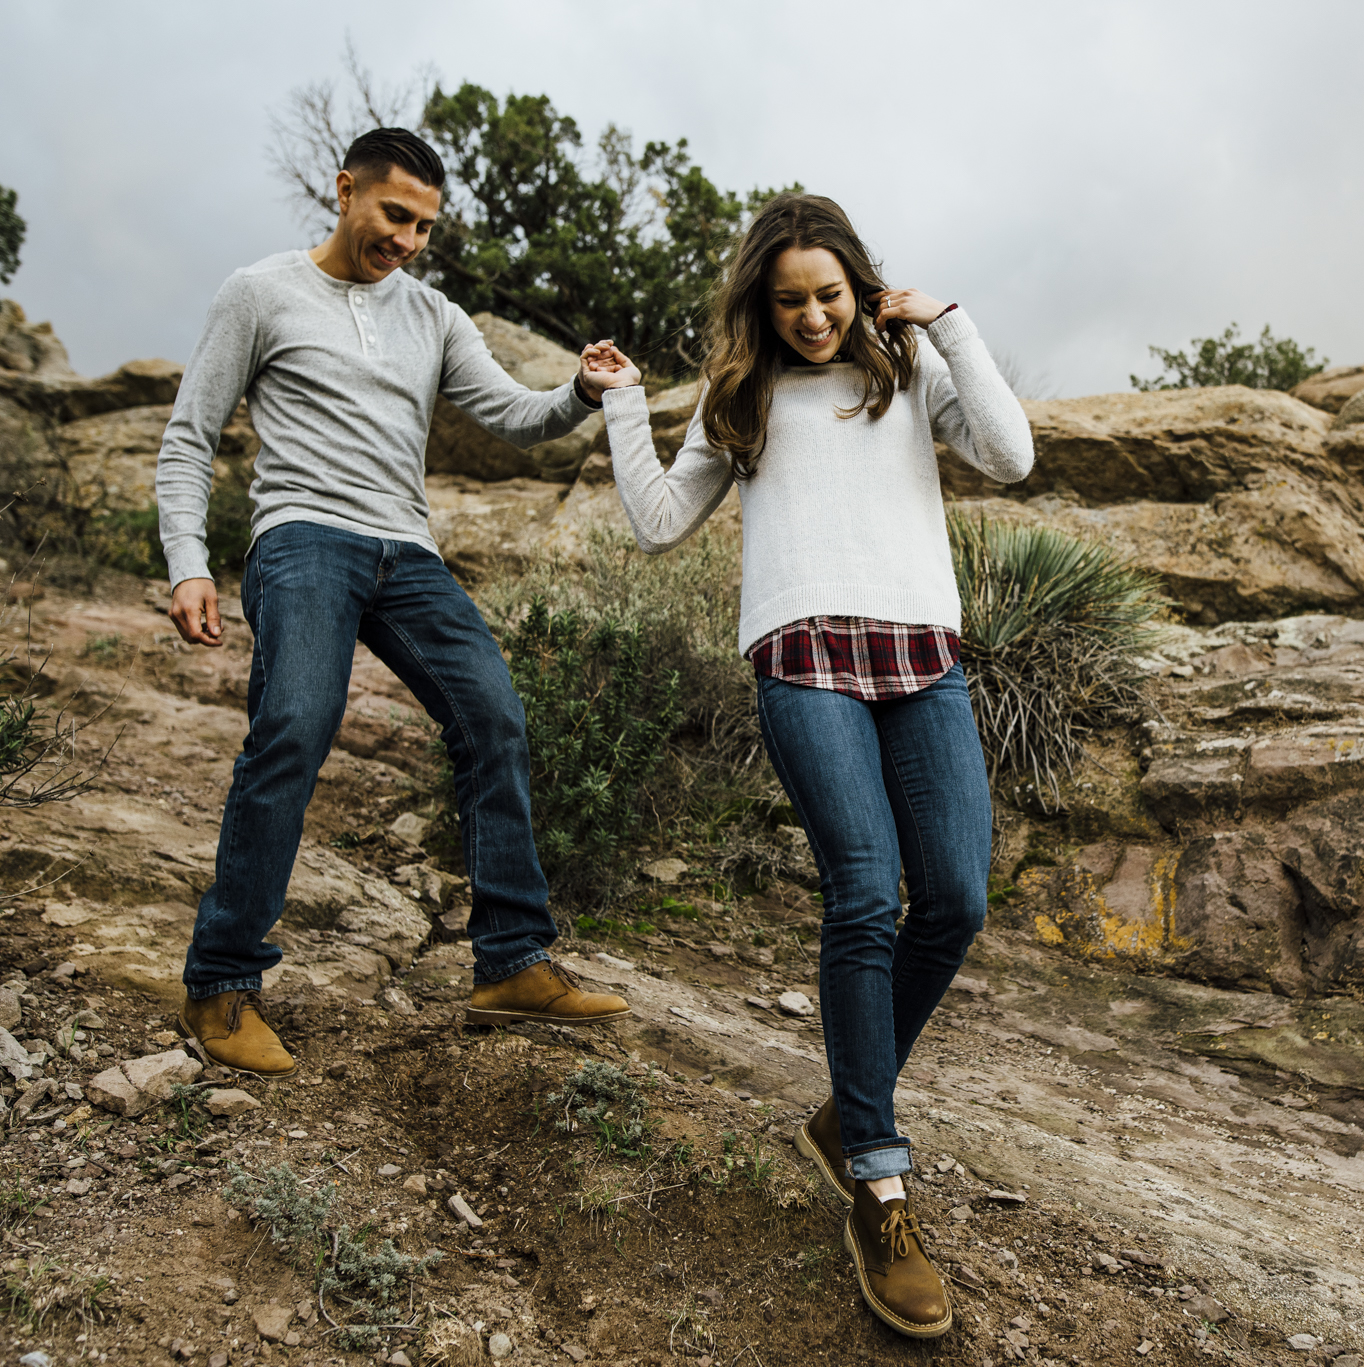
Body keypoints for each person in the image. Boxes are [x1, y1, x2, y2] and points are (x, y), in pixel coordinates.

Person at [582, 192, 1033, 1338]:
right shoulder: (742, 399)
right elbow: (653, 521)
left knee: (956, 897)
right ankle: (879, 1186)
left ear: (859, 286)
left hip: (921, 661)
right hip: (803, 659)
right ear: (759, 305)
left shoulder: (909, 372)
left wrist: (946, 323)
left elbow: (1012, 455)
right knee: (861, 892)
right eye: (788, 302)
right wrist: (626, 403)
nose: (813, 317)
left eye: (829, 295)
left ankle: (844, 1110)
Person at [156, 127, 630, 1079]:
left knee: (494, 716)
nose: (409, 240)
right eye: (395, 216)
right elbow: (187, 436)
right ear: (345, 192)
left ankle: (512, 963)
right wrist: (187, 562)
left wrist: (579, 389)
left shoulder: (436, 316)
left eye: (424, 227)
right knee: (294, 724)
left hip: (406, 554)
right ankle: (220, 983)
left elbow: (513, 415)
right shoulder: (259, 292)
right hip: (302, 537)